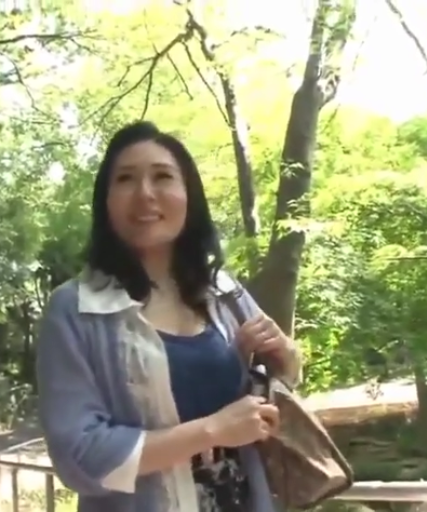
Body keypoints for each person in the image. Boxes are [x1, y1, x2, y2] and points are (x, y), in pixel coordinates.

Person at [36, 121, 302, 512]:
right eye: (125, 179)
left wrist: (286, 363)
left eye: (162, 176)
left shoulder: (223, 292)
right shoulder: (75, 310)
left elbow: (267, 405)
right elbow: (79, 456)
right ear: (105, 202)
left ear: (189, 195)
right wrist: (211, 431)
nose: (145, 193)